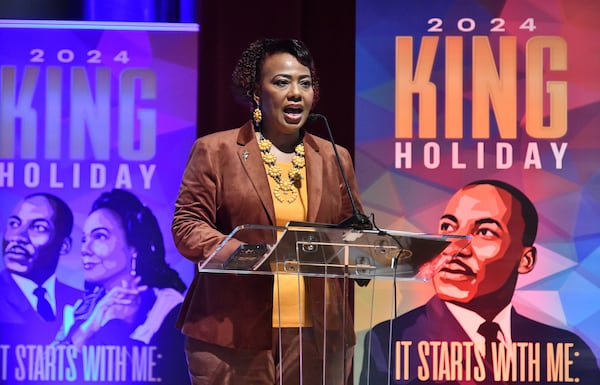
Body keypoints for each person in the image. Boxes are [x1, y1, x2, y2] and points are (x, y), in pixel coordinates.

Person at [172, 38, 364, 385]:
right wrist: (246, 255)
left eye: (304, 83)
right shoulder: (216, 151)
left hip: (318, 337)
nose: (296, 92)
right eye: (282, 82)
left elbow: (352, 230)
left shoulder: (335, 156)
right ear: (257, 94)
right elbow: (188, 225)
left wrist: (375, 251)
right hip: (232, 333)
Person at [360, 180, 600, 385]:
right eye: (448, 227)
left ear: (526, 259)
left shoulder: (567, 350)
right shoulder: (392, 339)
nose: (454, 247)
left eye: (484, 232)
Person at [53, 189, 190, 385]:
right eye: (84, 239)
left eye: (99, 237)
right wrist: (89, 327)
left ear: (133, 247)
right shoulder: (81, 310)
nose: (85, 249)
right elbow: (50, 370)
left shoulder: (169, 309)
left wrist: (116, 327)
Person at [0, 193, 82, 342]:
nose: (17, 236)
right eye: (14, 224)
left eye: (38, 227)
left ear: (64, 245)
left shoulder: (81, 302)